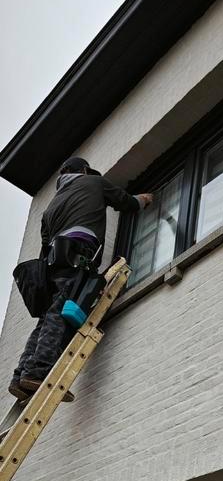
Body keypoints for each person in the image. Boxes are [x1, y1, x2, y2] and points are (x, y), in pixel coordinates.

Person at [9, 157, 152, 401]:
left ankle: (20, 376)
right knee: (57, 314)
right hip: (76, 257)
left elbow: (44, 246)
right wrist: (144, 200)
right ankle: (38, 373)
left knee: (46, 317)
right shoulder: (93, 182)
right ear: (84, 170)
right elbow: (125, 202)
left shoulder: (50, 208)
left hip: (54, 262)